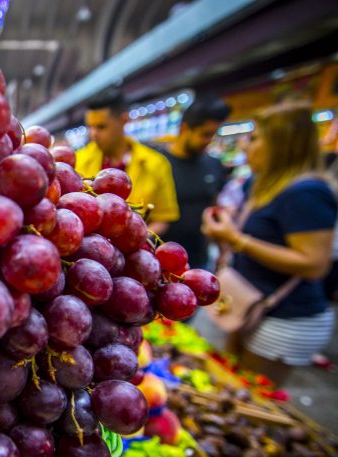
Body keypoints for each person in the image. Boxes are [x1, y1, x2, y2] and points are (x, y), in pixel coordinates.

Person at [201, 102, 337, 383]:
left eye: (254, 138)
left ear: (282, 145)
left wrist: (237, 239)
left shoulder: (307, 193)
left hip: (284, 318)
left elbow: (314, 264)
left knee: (253, 399)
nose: (245, 145)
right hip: (251, 304)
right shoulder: (262, 184)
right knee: (231, 383)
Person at [75, 89, 179, 235]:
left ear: (124, 120)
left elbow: (163, 218)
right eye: (90, 127)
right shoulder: (78, 160)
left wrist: (135, 239)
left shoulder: (156, 163)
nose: (94, 134)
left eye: (101, 127)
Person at [159, 96, 231, 269]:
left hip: (199, 260)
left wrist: (223, 251)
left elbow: (214, 206)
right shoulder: (158, 162)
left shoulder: (213, 164)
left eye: (213, 135)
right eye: (205, 134)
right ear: (184, 128)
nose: (208, 141)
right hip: (162, 259)